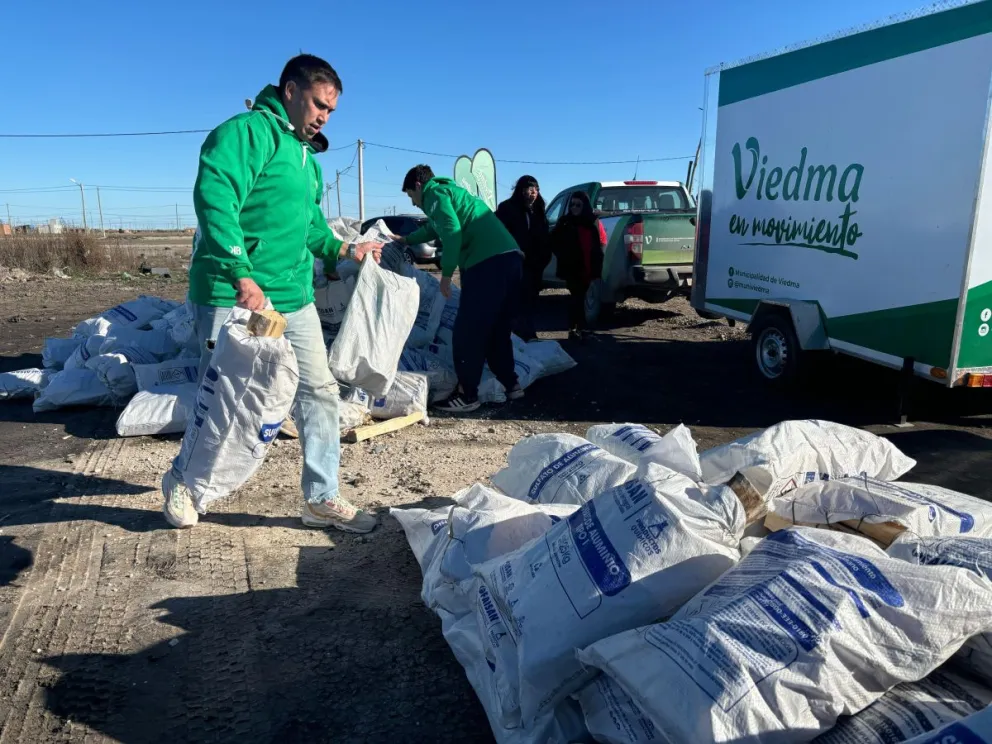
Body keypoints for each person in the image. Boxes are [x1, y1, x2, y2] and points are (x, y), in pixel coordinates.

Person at [162, 54, 384, 533]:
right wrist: (241, 272)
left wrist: (348, 248)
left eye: (331, 110)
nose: (324, 116)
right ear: (289, 90)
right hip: (231, 290)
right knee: (220, 396)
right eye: (319, 104)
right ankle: (184, 481)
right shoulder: (246, 133)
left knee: (320, 393)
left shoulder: (307, 158)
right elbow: (215, 201)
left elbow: (309, 228)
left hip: (291, 295)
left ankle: (321, 498)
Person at [396, 165, 524, 414]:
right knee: (497, 329)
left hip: (487, 263)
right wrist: (406, 240)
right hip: (511, 259)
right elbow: (434, 228)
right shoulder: (452, 193)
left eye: (411, 195)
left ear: (419, 186)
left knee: (468, 331)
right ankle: (512, 385)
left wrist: (446, 274)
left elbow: (452, 232)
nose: (413, 203)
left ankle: (468, 395)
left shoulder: (434, 194)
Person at [496, 176, 550, 342]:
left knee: (531, 301)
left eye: (535, 189)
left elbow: (544, 236)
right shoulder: (507, 208)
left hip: (535, 264)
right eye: (528, 189)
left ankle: (528, 334)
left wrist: (543, 258)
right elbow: (499, 234)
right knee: (515, 302)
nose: (531, 193)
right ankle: (516, 336)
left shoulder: (539, 209)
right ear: (520, 190)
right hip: (515, 263)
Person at [551, 191, 607, 341]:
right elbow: (553, 241)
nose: (574, 207)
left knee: (582, 297)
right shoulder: (565, 221)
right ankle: (575, 328)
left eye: (578, 205)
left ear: (585, 206)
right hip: (572, 267)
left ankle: (578, 329)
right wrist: (563, 255)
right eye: (572, 204)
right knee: (576, 297)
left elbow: (600, 243)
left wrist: (597, 264)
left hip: (588, 265)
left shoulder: (592, 221)